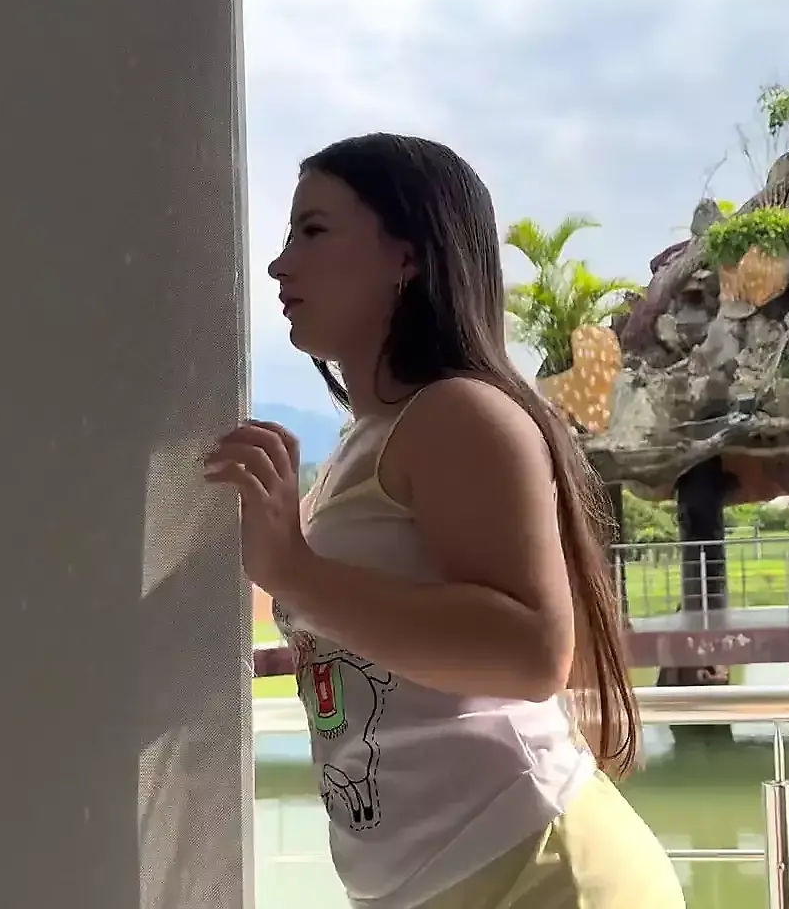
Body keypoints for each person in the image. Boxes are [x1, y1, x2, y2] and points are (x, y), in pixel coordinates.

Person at [203, 133, 683, 908]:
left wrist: (295, 571)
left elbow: (532, 652)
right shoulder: (361, 445)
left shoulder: (458, 413)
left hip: (537, 873)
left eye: (312, 231)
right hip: (441, 882)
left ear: (409, 255)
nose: (278, 265)